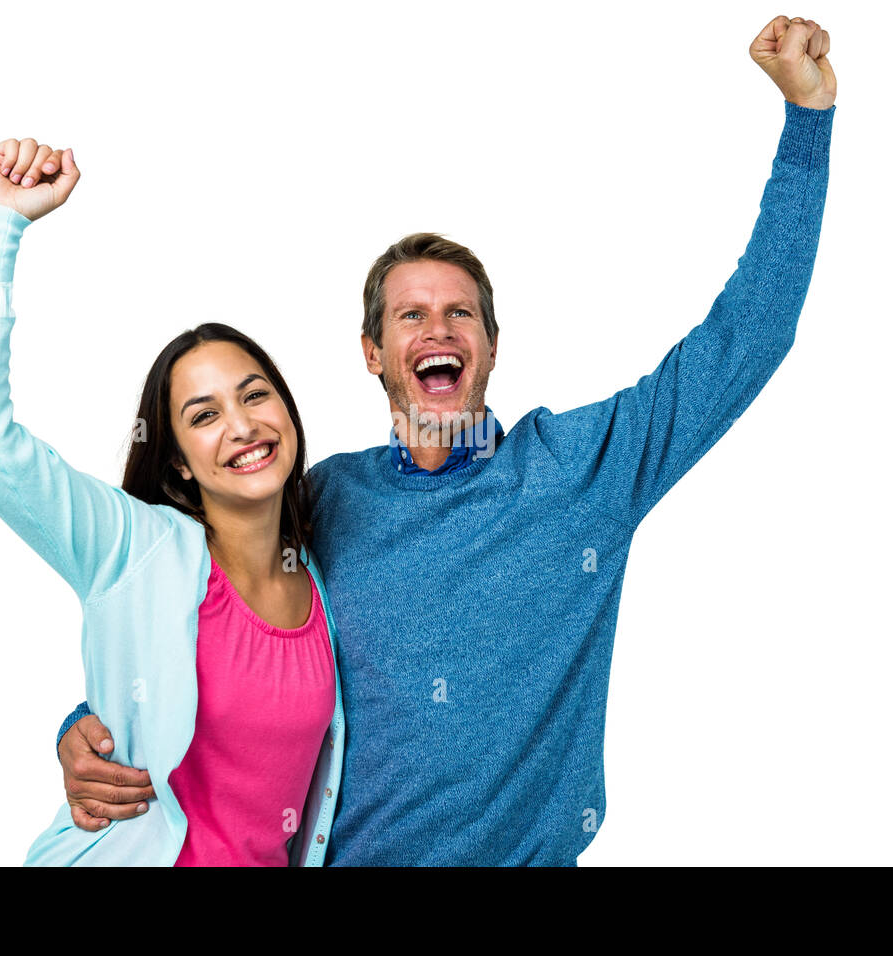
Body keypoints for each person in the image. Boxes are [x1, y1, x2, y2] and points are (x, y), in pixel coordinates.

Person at [56, 15, 837, 864]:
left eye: (460, 312)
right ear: (373, 354)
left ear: (491, 347)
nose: (439, 327)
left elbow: (746, 339)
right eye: (411, 315)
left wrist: (808, 124)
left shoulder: (581, 471)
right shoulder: (318, 499)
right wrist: (80, 730)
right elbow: (188, 637)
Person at [0, 137, 345, 865]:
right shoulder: (134, 546)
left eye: (255, 395)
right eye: (204, 415)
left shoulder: (325, 576)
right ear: (180, 465)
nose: (242, 424)